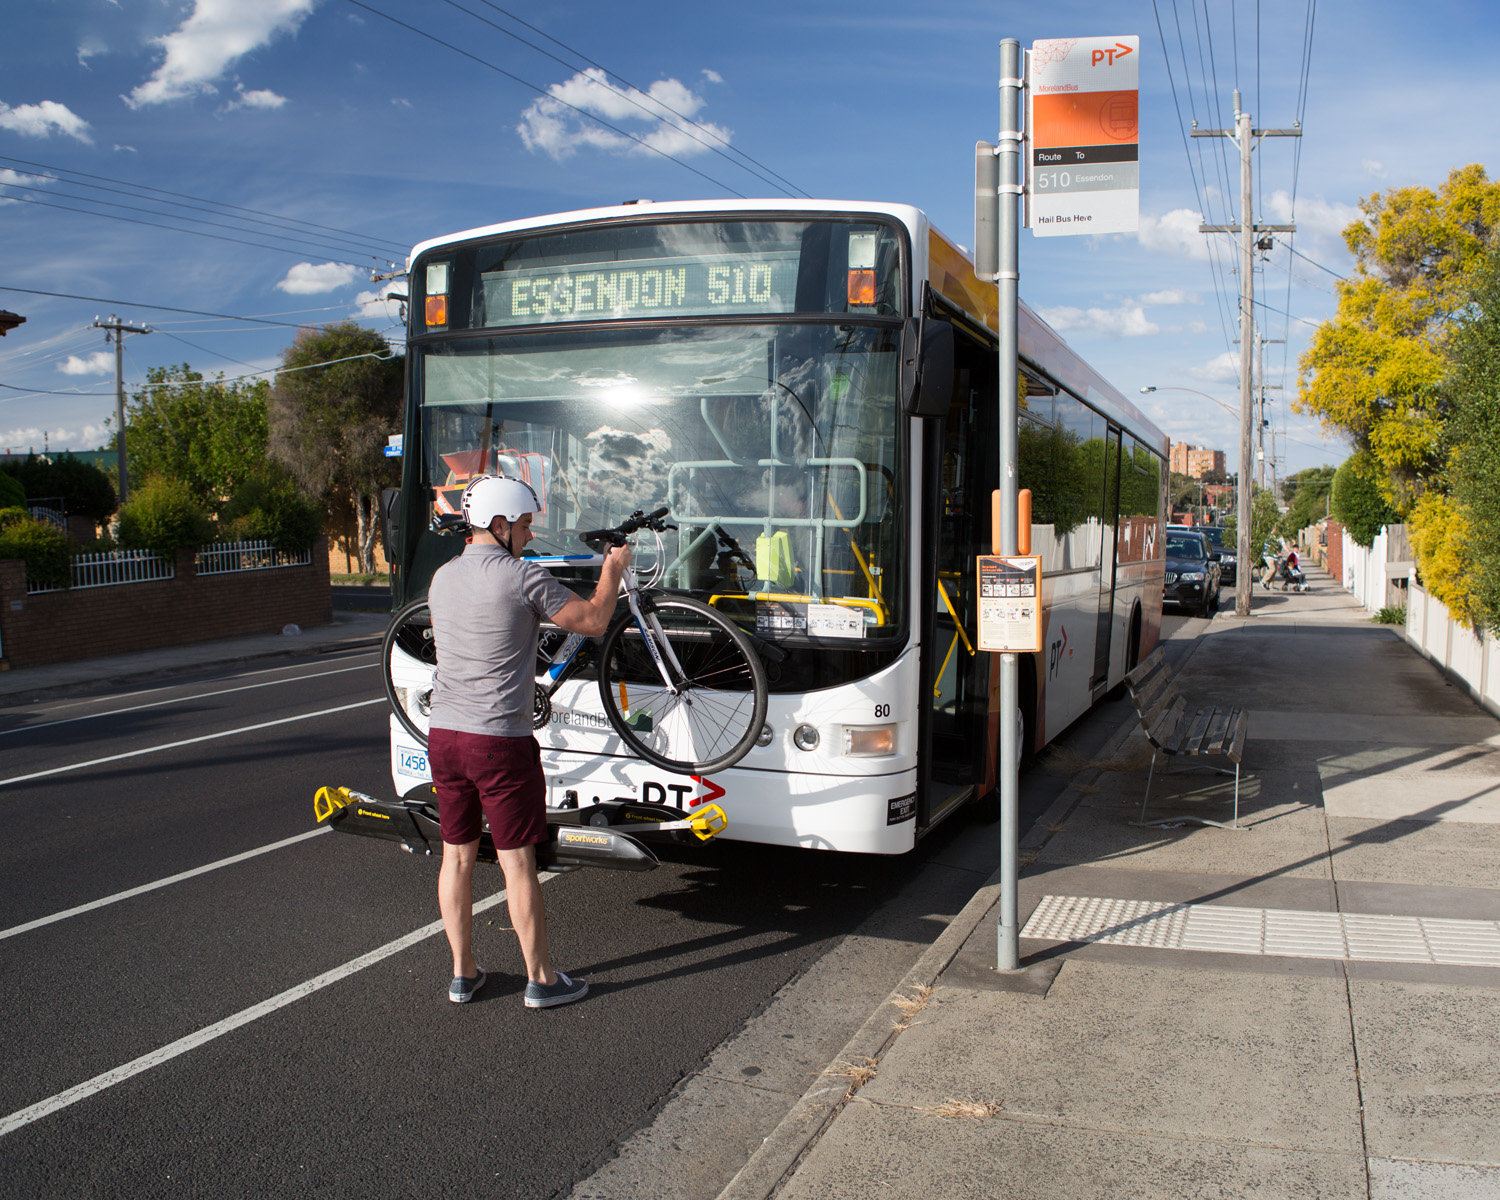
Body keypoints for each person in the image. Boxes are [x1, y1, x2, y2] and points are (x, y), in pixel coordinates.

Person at [425, 475, 630, 1007]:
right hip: (498, 742)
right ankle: (541, 979)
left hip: (444, 737)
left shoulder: (442, 577)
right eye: (523, 525)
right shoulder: (521, 577)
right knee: (518, 863)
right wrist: (611, 570)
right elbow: (595, 620)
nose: (529, 535)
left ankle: (463, 973)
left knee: (457, 858)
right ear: (498, 525)